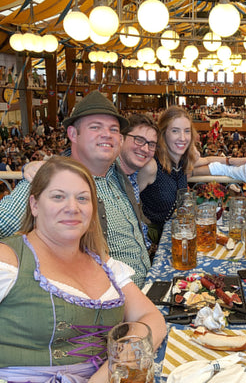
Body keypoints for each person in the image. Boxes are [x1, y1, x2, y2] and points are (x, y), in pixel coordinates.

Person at [0, 156, 166, 383]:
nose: (71, 207)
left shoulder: (104, 265)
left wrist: (112, 368)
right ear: (34, 203)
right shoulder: (9, 259)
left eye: (82, 198)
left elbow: (153, 320)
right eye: (58, 196)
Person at [0, 91, 152, 288]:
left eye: (114, 129)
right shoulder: (49, 180)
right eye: (95, 127)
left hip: (144, 292)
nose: (107, 134)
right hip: (101, 307)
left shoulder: (116, 172)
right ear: (73, 134)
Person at [138, 106, 199, 240]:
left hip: (175, 232)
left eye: (187, 131)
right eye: (175, 131)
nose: (183, 138)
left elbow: (205, 163)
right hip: (152, 239)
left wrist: (231, 161)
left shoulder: (182, 162)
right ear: (164, 133)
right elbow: (127, 198)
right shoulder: (151, 166)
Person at [118, 113, 159, 246]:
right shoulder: (107, 176)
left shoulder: (135, 174)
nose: (145, 149)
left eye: (151, 144)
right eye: (139, 140)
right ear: (121, 139)